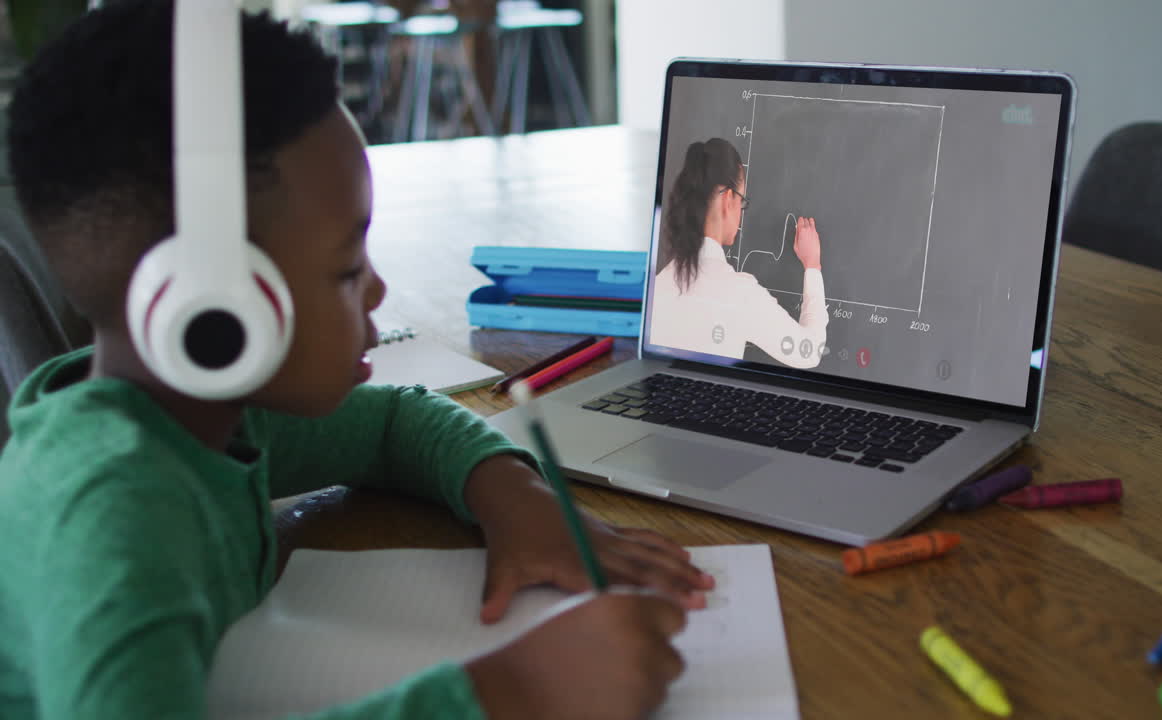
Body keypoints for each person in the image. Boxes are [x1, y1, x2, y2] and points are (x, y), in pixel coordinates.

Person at [0, 3, 712, 719]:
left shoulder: (203, 418)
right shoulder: (113, 520)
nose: (376, 288)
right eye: (345, 269)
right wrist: (510, 693)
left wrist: (517, 501)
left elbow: (392, 422)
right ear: (215, 312)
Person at [650, 138, 829, 369]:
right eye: (742, 201)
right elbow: (809, 352)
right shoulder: (739, 294)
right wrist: (812, 265)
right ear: (728, 199)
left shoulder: (659, 285)